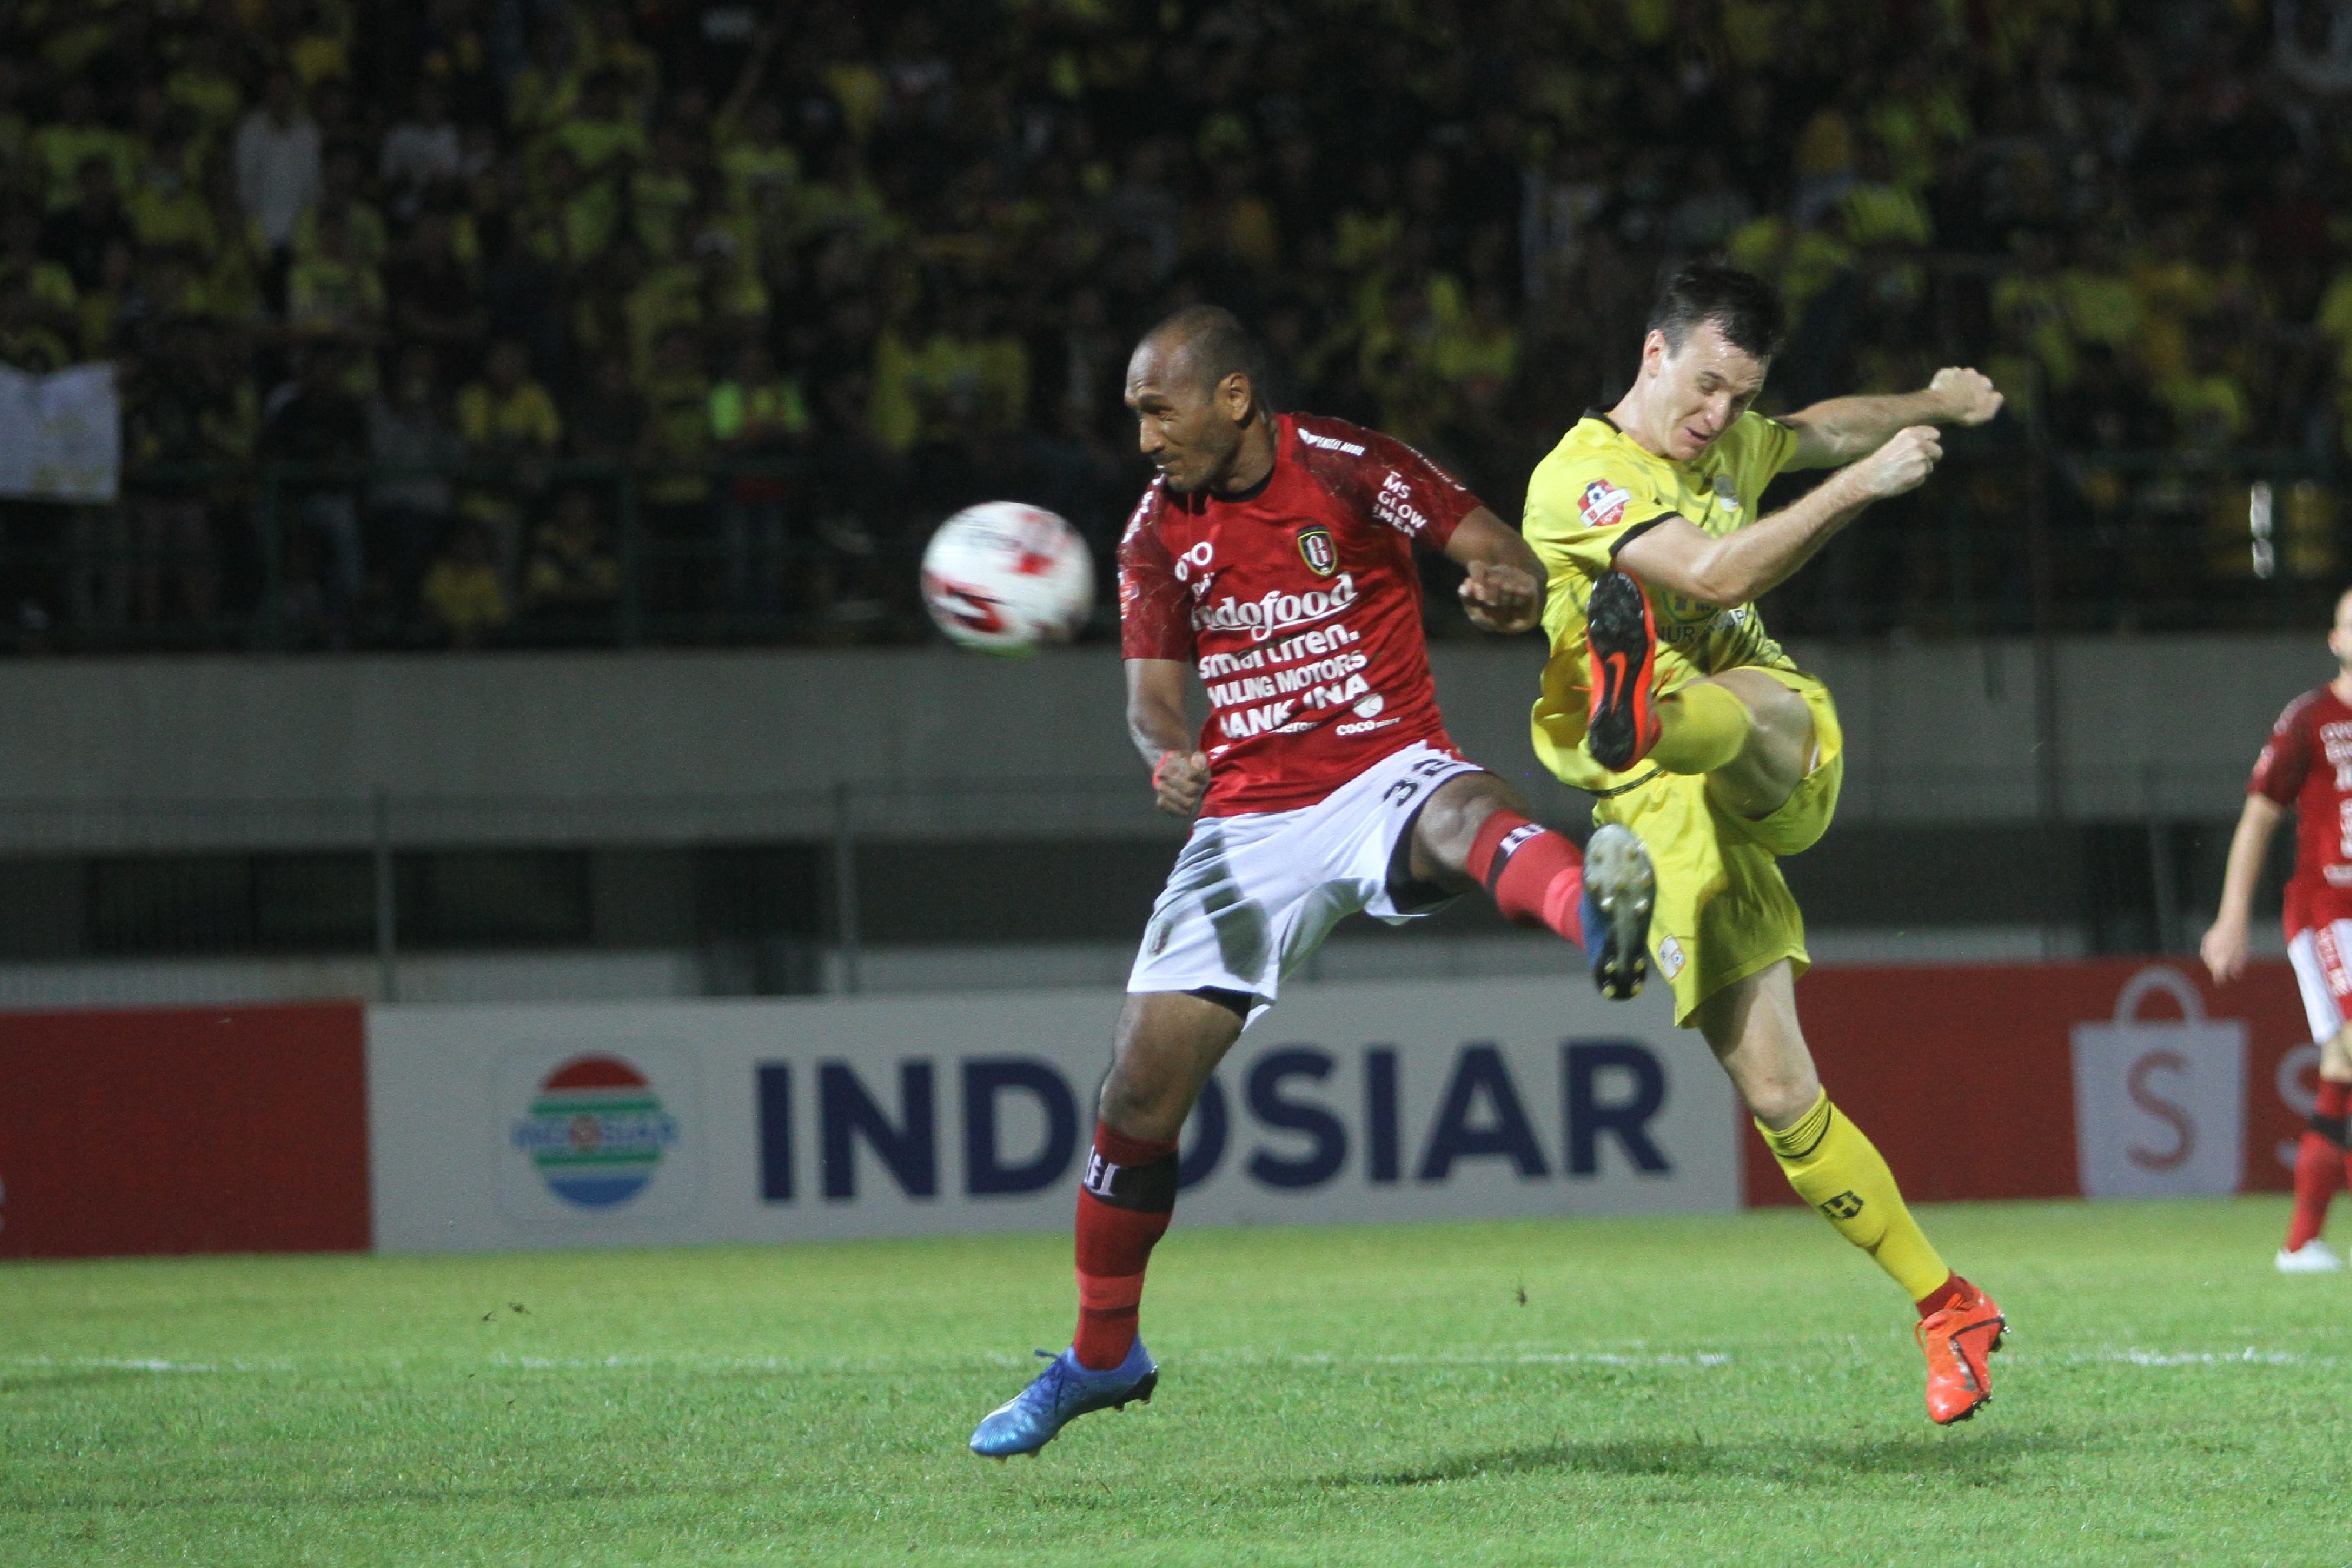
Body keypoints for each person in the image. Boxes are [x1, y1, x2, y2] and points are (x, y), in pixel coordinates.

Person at [967, 305, 1657, 1459]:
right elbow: (1147, 694)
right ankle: (1100, 1356)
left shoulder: (1350, 466)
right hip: (1249, 817)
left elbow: (1495, 553)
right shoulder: (1154, 531)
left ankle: (1597, 915)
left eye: (1155, 409)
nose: (1143, 437)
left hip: (1384, 761)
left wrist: (1505, 591)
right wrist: (1167, 750)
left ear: (1233, 396)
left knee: (1462, 812)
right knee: (1137, 1095)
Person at [1520, 261, 2007, 1425]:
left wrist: (1927, 405)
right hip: (1664, 805)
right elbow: (1711, 568)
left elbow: (1817, 428)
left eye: (1739, 395)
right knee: (1783, 1093)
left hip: (1771, 747)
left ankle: (1649, 723)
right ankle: (1950, 1305)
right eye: (1703, 387)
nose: (1719, 417)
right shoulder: (1580, 478)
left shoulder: (1732, 441)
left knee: (1745, 696)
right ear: (1652, 354)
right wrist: (1869, 488)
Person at [2201, 586, 2352, 1272]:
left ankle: (2300, 1242)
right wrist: (2232, 915)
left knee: (2340, 1069)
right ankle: (2300, 1241)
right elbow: (2259, 815)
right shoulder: (2308, 719)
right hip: (2327, 912)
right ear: (2332, 638)